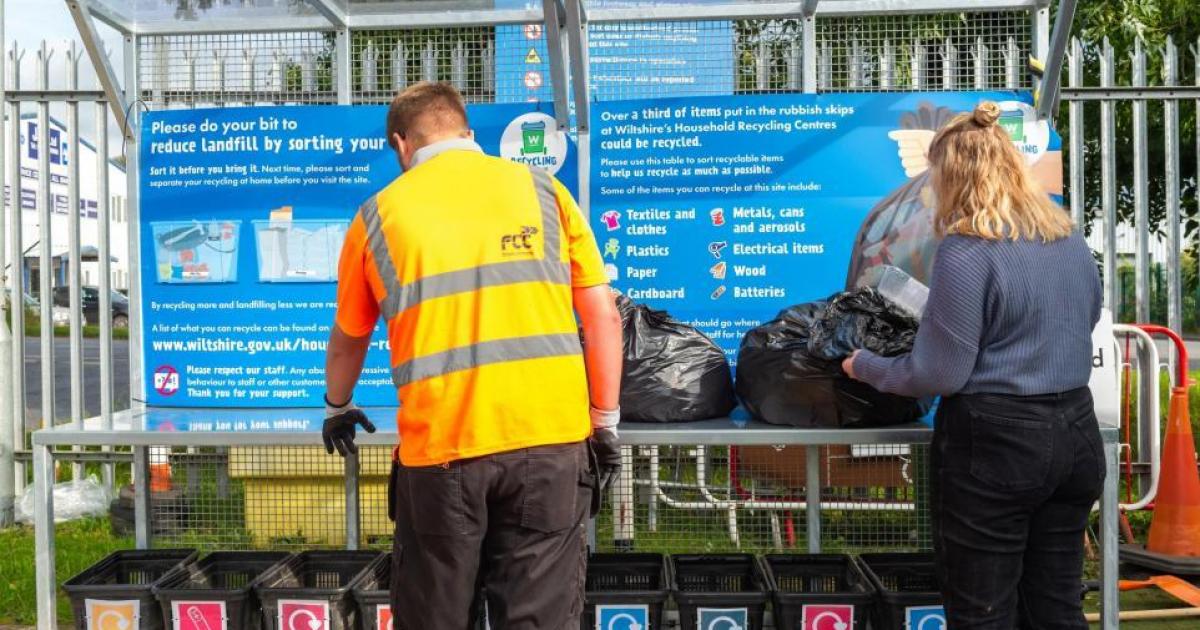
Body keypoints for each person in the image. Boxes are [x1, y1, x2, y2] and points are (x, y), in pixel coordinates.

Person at [320, 82, 623, 630]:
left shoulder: (377, 217)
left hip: (443, 452)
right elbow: (601, 315)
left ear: (402, 144)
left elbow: (349, 336)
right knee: (539, 618)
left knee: (436, 614)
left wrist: (337, 405)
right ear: (468, 133)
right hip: (550, 442)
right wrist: (604, 421)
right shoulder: (544, 190)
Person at [843, 101, 1104, 629]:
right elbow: (1084, 317)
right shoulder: (1068, 238)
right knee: (1056, 605)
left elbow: (938, 375)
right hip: (1076, 432)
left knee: (982, 610)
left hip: (996, 443)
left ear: (953, 176)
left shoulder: (966, 248)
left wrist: (865, 365)